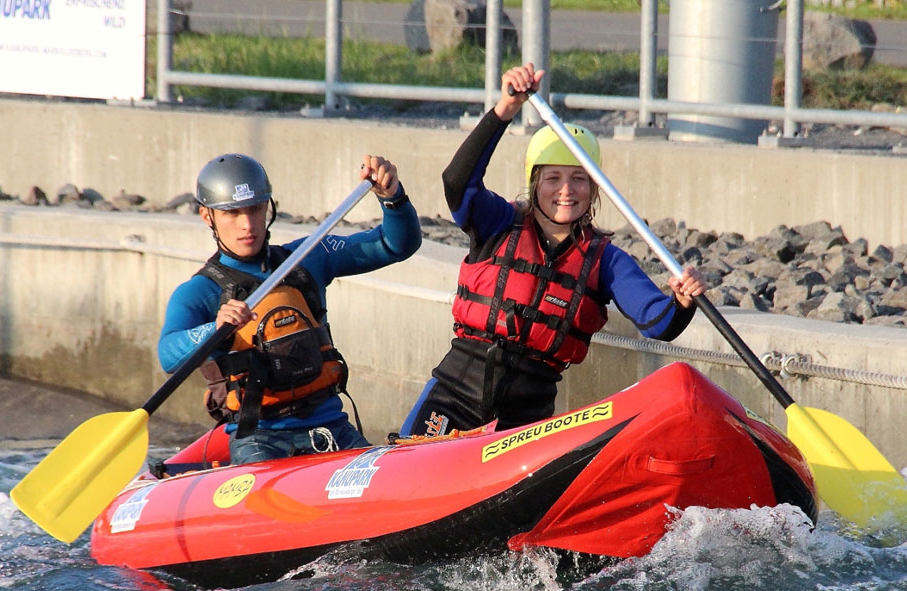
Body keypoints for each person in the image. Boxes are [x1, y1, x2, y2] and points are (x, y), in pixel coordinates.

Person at [400, 63, 707, 437]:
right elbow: (457, 181)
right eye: (554, 178)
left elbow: (659, 323)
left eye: (579, 178)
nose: (567, 189)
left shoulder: (605, 261)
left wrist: (683, 300)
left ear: (594, 190)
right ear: (535, 184)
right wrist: (505, 110)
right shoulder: (497, 222)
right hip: (455, 396)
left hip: (525, 421)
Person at [159, 152, 421, 464]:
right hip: (259, 438)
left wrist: (392, 198)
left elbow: (396, 244)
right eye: (232, 213)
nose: (247, 224)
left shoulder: (307, 256)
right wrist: (214, 329)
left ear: (268, 208)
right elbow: (167, 354)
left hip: (332, 427)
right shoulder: (199, 292)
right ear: (208, 216)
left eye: (255, 209)